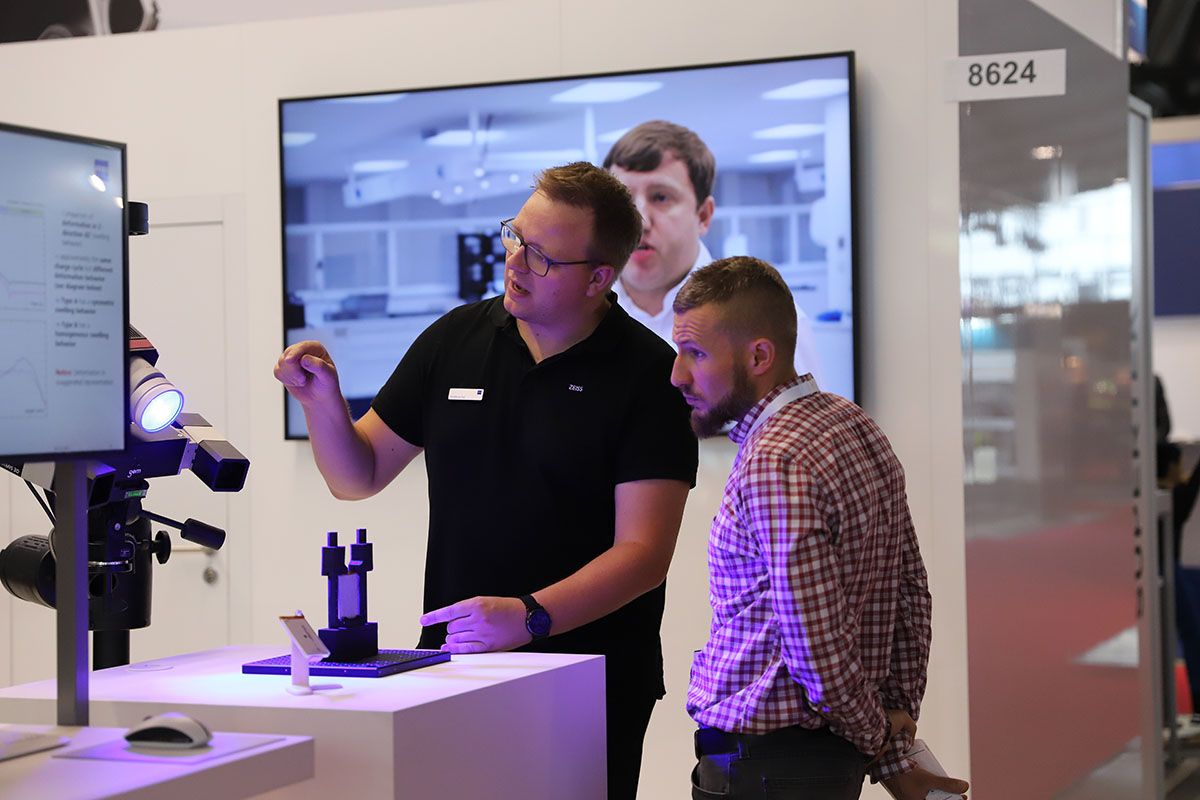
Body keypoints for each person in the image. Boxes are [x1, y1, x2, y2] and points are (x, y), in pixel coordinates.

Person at [274, 162, 699, 800]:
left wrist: (530, 617)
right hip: (453, 670)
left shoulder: (647, 375)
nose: (515, 262)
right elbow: (356, 475)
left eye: (542, 256)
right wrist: (322, 403)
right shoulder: (456, 340)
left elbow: (643, 555)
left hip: (588, 682)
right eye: (513, 237)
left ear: (598, 279)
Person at [669, 256, 968, 800]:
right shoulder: (853, 423)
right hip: (808, 762)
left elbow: (816, 645)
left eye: (696, 353)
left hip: (765, 766)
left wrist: (882, 747)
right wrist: (893, 732)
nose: (678, 374)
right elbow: (911, 596)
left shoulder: (775, 460)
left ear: (759, 355)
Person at [603, 120, 821, 377]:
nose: (639, 221)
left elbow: (803, 417)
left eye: (660, 197)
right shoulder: (577, 314)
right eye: (623, 200)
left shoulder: (767, 321)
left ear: (704, 216)